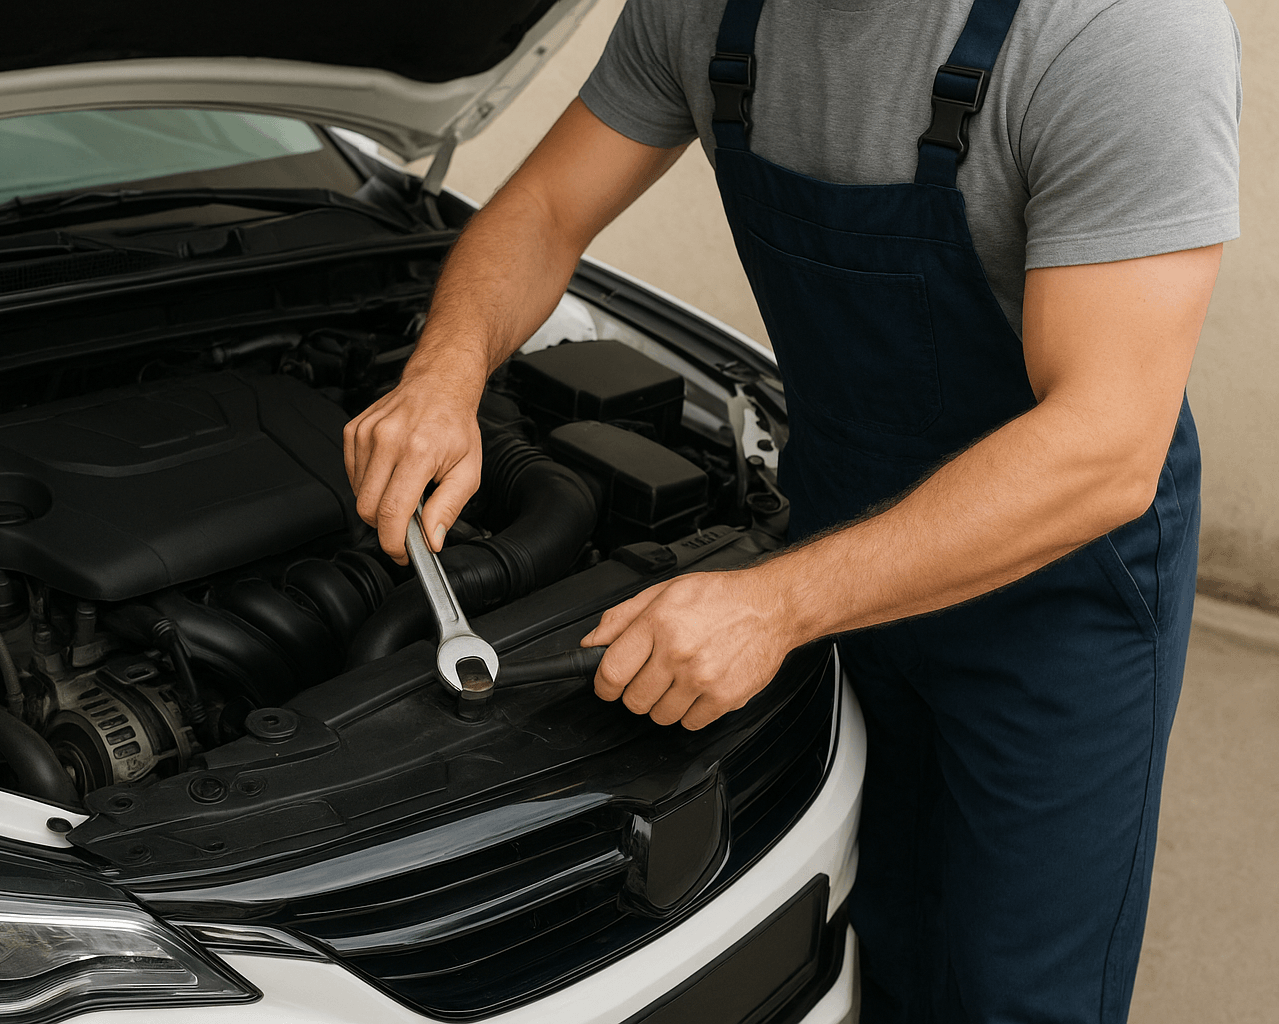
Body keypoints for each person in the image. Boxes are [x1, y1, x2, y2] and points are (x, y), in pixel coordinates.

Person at [343, 0, 1240, 1019]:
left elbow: (1106, 444)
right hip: (835, 533)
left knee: (1020, 990)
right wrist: (445, 373)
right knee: (881, 927)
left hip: (1057, 591)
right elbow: (547, 208)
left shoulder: (1120, 32)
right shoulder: (700, 10)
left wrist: (773, 606)